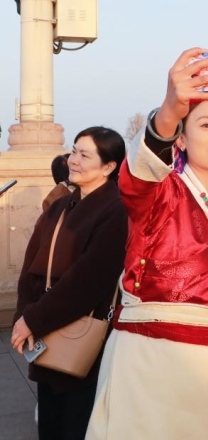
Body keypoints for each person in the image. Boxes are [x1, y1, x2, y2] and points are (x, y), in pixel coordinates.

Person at [86, 49, 208, 439]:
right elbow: (138, 177)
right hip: (149, 364)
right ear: (180, 137)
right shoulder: (160, 197)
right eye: (206, 124)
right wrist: (167, 111)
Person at [12, 127, 129, 440]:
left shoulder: (116, 211)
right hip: (46, 335)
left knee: (79, 424)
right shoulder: (60, 206)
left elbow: (89, 280)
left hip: (83, 339)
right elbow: (30, 269)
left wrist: (33, 318)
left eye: (85, 155)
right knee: (51, 423)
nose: (73, 160)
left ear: (109, 166)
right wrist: (24, 317)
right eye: (74, 151)